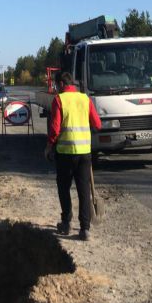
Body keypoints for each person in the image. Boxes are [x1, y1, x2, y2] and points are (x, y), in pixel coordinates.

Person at [44, 71, 101, 241]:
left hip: (65, 154)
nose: (56, 88)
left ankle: (66, 222)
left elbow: (55, 128)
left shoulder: (59, 100)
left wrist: (49, 147)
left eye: (56, 85)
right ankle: (85, 229)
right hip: (84, 153)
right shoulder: (85, 99)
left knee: (63, 188)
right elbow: (97, 124)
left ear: (61, 84)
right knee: (84, 190)